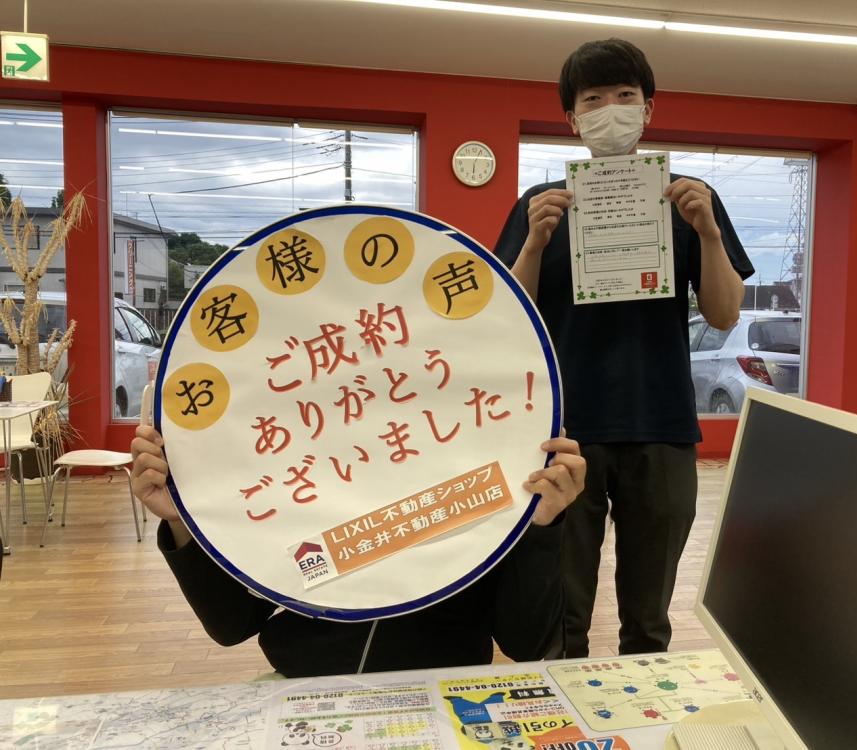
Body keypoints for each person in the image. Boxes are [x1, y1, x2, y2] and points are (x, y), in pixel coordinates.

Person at [494, 38, 754, 657]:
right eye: (593, 99)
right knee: (562, 615)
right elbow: (509, 317)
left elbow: (722, 313)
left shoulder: (690, 199)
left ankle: (642, 702)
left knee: (648, 616)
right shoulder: (539, 206)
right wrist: (534, 244)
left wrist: (708, 234)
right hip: (563, 430)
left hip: (660, 424)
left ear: (648, 108)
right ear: (572, 118)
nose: (610, 108)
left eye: (624, 95)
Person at [131, 425, 585, 676]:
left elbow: (527, 643)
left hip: (443, 696)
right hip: (303, 693)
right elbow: (232, 624)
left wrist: (540, 524)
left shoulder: (483, 468)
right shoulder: (291, 466)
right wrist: (181, 520)